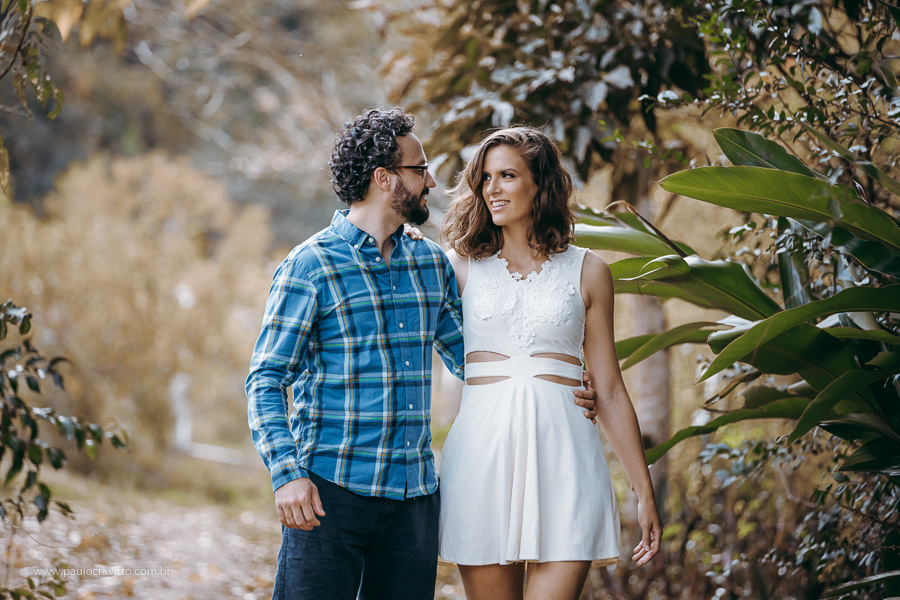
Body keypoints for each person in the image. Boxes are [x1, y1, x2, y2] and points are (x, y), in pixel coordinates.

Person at [245, 108, 599, 600]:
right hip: (330, 494)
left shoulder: (429, 263)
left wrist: (556, 376)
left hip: (412, 505)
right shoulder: (312, 265)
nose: (432, 179)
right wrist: (287, 476)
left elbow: (474, 357)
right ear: (384, 179)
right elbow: (265, 379)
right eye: (420, 169)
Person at [437, 126, 662, 600]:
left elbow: (611, 389)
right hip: (481, 459)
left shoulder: (589, 270)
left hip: (567, 460)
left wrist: (644, 491)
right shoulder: (456, 267)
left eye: (507, 176)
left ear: (541, 184)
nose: (491, 188)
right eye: (485, 178)